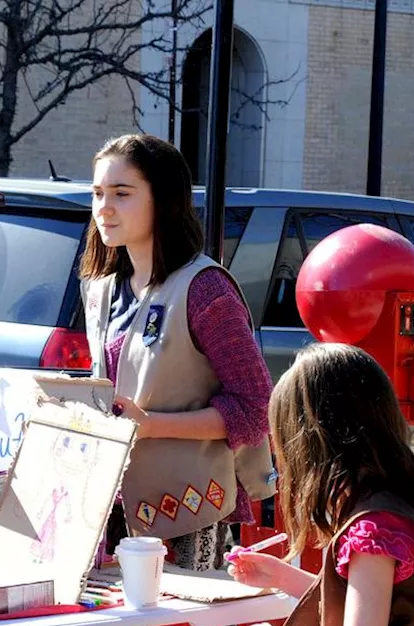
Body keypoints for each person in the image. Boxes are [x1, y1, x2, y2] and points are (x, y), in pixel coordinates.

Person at [79, 133, 274, 571]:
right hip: (107, 507)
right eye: (97, 193)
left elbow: (256, 406)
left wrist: (149, 426)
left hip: (189, 509)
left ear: (163, 199)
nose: (104, 208)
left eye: (121, 194)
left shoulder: (205, 288)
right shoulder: (100, 288)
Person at [223, 343, 414, 626]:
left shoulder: (372, 531)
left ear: (312, 443)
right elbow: (371, 604)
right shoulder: (401, 505)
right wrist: (283, 577)